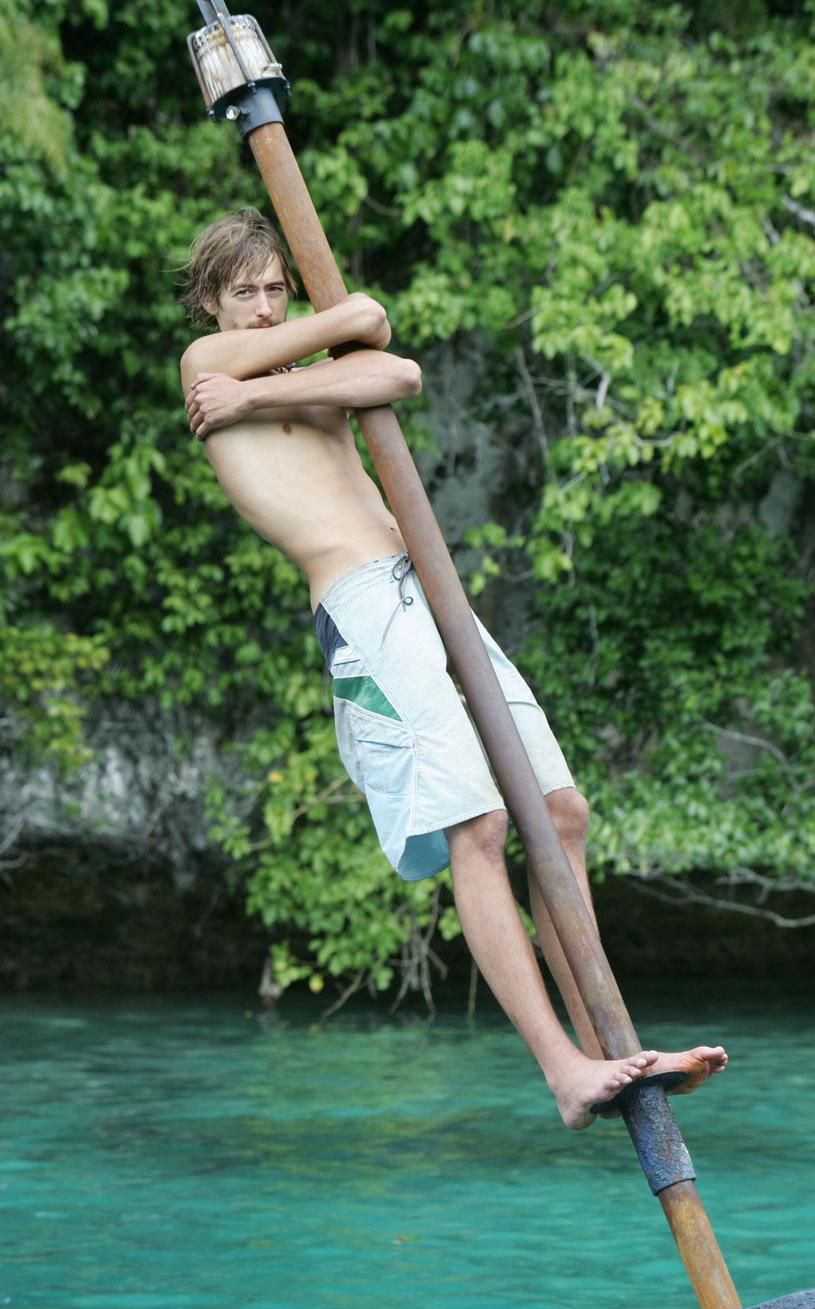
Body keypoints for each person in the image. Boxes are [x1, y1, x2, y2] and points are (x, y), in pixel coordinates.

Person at [180, 208, 727, 1128]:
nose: (268, 308)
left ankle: (613, 1046)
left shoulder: (287, 382)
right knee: (476, 823)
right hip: (360, 609)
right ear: (209, 301)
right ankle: (562, 1070)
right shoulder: (204, 367)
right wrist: (262, 380)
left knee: (561, 812)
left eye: (279, 287)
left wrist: (264, 395)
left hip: (430, 591)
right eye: (247, 293)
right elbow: (352, 323)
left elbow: (391, 356)